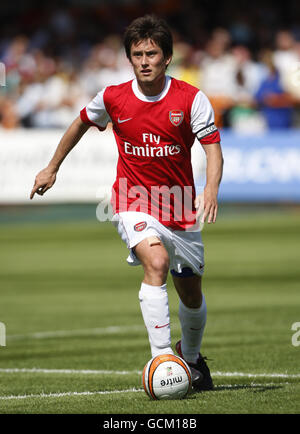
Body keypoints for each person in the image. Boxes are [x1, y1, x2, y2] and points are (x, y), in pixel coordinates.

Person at [30, 15, 223, 392]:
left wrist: (210, 189)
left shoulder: (190, 99)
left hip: (180, 203)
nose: (144, 61)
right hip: (133, 199)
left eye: (152, 53)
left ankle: (194, 360)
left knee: (192, 293)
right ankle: (162, 358)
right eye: (137, 54)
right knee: (157, 262)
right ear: (129, 59)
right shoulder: (112, 97)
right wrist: (51, 168)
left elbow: (213, 149)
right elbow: (80, 123)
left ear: (167, 58)